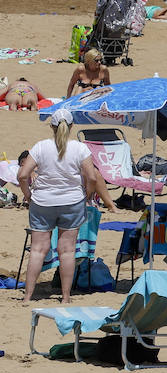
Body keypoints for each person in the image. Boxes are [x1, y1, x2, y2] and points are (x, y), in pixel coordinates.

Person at [16, 108, 113, 304]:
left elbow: (22, 175)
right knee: (67, 251)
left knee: (37, 250)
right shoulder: (80, 148)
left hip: (42, 202)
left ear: (52, 126)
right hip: (72, 202)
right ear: (71, 127)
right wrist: (87, 195)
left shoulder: (41, 147)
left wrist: (28, 195)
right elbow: (92, 177)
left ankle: (27, 297)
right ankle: (66, 297)